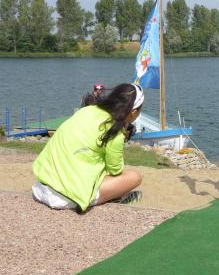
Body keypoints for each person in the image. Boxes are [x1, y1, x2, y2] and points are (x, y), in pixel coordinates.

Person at [32, 83, 144, 212]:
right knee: (134, 177)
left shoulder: (87, 110)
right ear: (133, 112)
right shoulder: (114, 131)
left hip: (41, 186)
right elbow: (115, 170)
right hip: (65, 198)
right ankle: (112, 198)